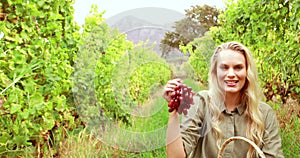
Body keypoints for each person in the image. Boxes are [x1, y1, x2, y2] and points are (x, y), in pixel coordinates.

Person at [163, 41, 284, 158]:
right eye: (224, 67)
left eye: (238, 67)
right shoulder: (200, 102)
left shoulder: (264, 113)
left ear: (247, 71)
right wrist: (174, 111)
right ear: (215, 72)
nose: (231, 74)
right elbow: (175, 156)